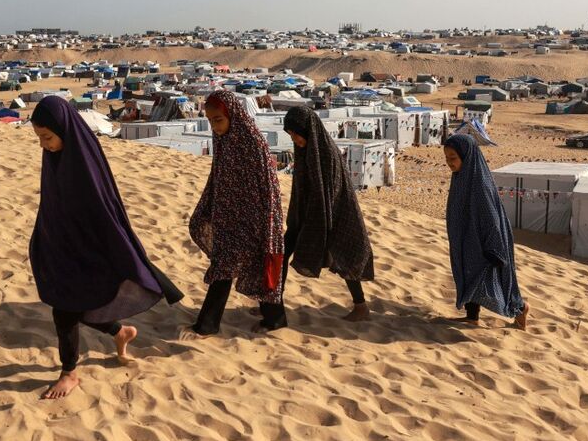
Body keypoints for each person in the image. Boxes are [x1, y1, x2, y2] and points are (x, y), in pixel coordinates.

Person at [29, 96, 183, 399]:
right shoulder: (56, 156)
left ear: (63, 129)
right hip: (62, 246)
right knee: (80, 308)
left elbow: (101, 208)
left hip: (87, 249)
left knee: (66, 311)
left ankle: (69, 373)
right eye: (39, 138)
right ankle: (120, 333)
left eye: (46, 137)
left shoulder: (83, 160)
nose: (43, 145)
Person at [266, 106, 374, 329]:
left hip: (336, 216)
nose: (294, 139)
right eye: (290, 135)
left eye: (296, 133)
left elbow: (332, 193)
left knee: (347, 258)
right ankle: (273, 302)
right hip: (306, 216)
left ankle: (361, 306)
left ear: (308, 130)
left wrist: (318, 220)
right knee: (282, 253)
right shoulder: (306, 150)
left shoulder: (326, 153)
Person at [188, 90, 284, 336]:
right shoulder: (224, 139)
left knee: (232, 266)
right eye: (210, 121)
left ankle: (207, 325)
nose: (214, 126)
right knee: (238, 266)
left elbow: (268, 188)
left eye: (218, 119)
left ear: (233, 115)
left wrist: (267, 224)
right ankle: (274, 318)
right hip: (228, 217)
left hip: (252, 220)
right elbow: (219, 176)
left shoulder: (251, 142)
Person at [442, 135, 530, 330]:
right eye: (447, 158)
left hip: (483, 242)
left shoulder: (478, 182)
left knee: (490, 282)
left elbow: (491, 217)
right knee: (468, 275)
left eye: (453, 157)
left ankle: (520, 308)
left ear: (466, 156)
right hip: (467, 238)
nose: (449, 163)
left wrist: (493, 249)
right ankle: (472, 317)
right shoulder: (462, 175)